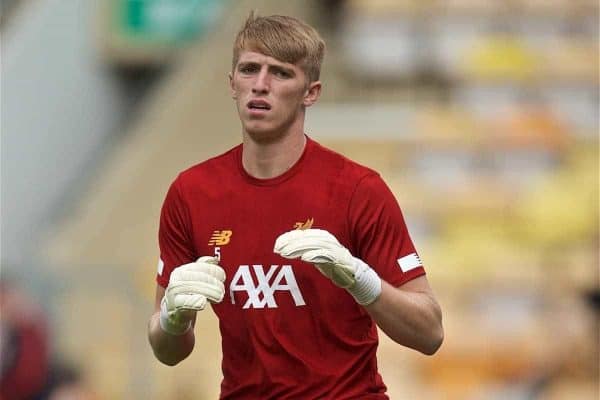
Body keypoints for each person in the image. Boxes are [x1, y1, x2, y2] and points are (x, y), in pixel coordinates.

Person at [148, 12, 443, 399]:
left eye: (281, 74)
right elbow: (167, 351)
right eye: (249, 70)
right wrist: (173, 316)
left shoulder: (358, 189)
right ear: (231, 84)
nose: (261, 85)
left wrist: (358, 277)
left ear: (311, 92)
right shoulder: (191, 192)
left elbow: (430, 333)